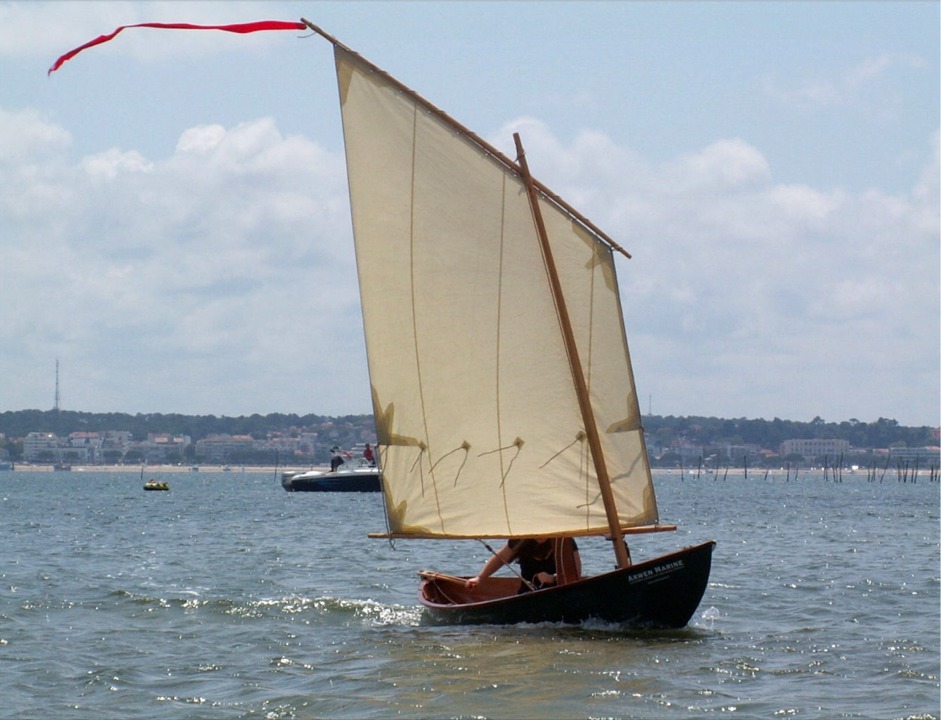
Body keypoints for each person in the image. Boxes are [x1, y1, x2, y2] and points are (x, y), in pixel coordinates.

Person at [464, 537, 581, 593]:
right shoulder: (521, 540)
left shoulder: (564, 541)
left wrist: (553, 578)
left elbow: (576, 574)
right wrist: (480, 578)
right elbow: (501, 558)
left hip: (559, 593)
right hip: (527, 594)